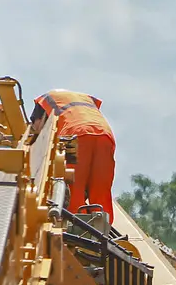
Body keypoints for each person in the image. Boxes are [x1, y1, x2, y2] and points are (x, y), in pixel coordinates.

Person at [30, 89, 115, 221]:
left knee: (74, 188)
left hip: (75, 135)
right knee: (100, 189)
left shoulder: (44, 102)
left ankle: (75, 228)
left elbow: (39, 129)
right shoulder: (81, 100)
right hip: (104, 134)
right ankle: (102, 227)